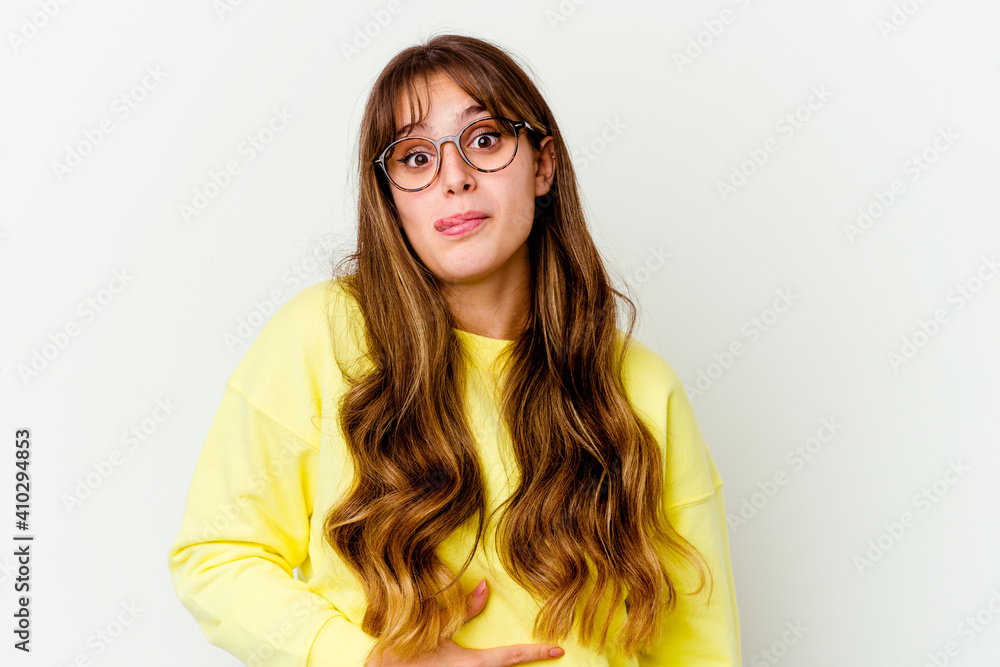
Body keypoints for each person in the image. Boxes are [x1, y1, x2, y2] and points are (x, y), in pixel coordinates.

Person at [167, 33, 741, 667]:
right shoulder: (322, 336)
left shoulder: (640, 385)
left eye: (485, 140)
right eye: (415, 159)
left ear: (543, 164)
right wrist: (369, 661)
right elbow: (216, 555)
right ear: (389, 195)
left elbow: (699, 647)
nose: (455, 179)